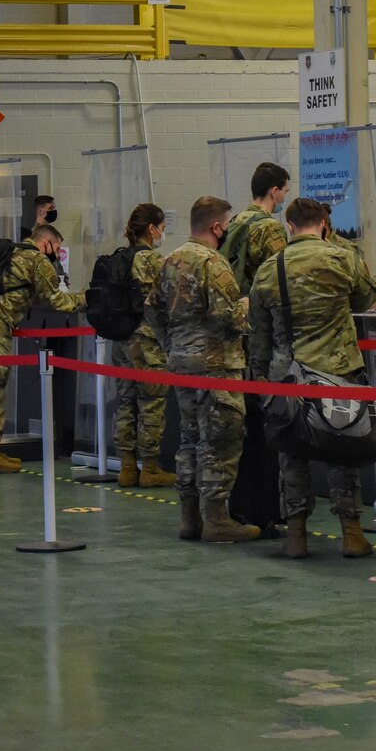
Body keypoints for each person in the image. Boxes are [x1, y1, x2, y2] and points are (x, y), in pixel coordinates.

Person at [247, 198, 376, 561]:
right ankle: (352, 534)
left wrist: (261, 379)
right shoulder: (342, 257)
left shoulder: (268, 269)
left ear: (288, 226)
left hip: (289, 377)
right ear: (324, 223)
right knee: (344, 451)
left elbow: (258, 333)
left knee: (292, 455)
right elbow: (368, 298)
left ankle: (296, 536)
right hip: (339, 373)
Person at [148, 196, 260, 543]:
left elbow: (151, 309)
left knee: (190, 439)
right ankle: (217, 519)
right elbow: (229, 318)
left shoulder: (171, 260)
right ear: (216, 226)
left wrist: (172, 344)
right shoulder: (214, 263)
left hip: (182, 364)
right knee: (220, 441)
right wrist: (247, 304)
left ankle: (189, 518)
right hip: (216, 366)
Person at [0, 222, 86, 474]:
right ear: (46, 243)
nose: (57, 254)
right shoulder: (35, 259)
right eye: (57, 248)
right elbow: (56, 300)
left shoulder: (11, 252)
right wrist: (87, 298)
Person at [111, 203, 175, 488]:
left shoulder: (119, 257)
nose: (163, 232)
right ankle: (150, 467)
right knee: (151, 404)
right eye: (162, 227)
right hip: (148, 342)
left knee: (125, 402)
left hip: (121, 341)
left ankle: (126, 466)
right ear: (152, 229)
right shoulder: (154, 260)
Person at [221, 162, 290, 291]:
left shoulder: (236, 220)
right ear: (275, 192)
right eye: (285, 191)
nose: (285, 197)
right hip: (258, 304)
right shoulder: (271, 227)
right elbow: (279, 275)